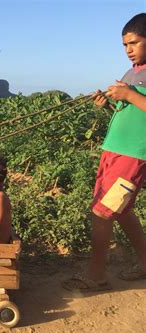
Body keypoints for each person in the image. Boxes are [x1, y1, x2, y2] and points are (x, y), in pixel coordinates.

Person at [63, 13, 146, 292]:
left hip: (134, 155)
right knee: (121, 211)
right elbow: (131, 112)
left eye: (133, 43)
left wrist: (130, 95)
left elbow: (135, 102)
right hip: (113, 150)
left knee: (102, 213)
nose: (128, 50)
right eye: (124, 45)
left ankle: (96, 274)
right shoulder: (131, 73)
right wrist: (109, 104)